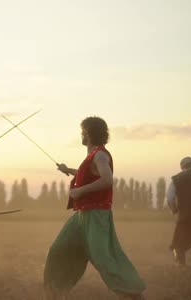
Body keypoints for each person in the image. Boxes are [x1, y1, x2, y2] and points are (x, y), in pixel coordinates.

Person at [44, 116, 145, 300]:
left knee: (103, 259)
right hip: (82, 214)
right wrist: (69, 170)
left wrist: (79, 191)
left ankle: (134, 294)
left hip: (96, 214)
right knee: (59, 248)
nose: (81, 134)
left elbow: (107, 180)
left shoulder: (100, 154)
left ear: (89, 133)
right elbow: (90, 174)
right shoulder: (92, 155)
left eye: (83, 131)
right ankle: (55, 291)